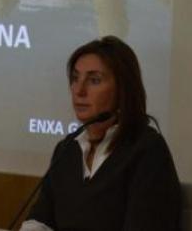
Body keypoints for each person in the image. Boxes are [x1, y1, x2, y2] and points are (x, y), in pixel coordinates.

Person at [22, 36, 181, 231]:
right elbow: (40, 220)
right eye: (75, 78)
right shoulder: (67, 150)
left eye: (94, 80)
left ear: (123, 89)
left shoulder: (147, 150)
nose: (79, 90)